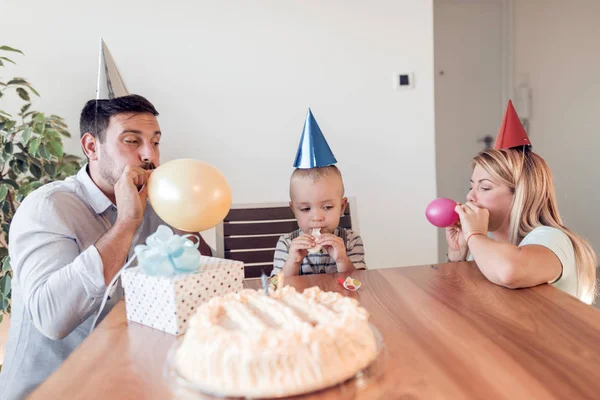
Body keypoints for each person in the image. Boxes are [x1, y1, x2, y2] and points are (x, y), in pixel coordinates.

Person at [0, 94, 211, 399]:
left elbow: (206, 283)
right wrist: (126, 222)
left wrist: (186, 215)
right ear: (91, 147)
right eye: (131, 141)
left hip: (129, 378)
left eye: (155, 142)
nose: (149, 155)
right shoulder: (48, 208)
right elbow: (52, 319)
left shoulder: (157, 204)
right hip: (51, 389)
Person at [447, 101, 597, 303]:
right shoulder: (488, 240)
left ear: (520, 195)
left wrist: (475, 235)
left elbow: (509, 272)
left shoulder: (551, 238)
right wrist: (458, 256)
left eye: (484, 187)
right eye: (471, 187)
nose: (470, 197)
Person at [272, 109, 366, 277]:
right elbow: (273, 288)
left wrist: (342, 260)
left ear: (342, 206)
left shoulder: (351, 242)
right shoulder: (286, 244)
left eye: (328, 207)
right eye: (306, 209)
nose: (317, 217)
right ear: (294, 210)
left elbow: (360, 285)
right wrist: (293, 262)